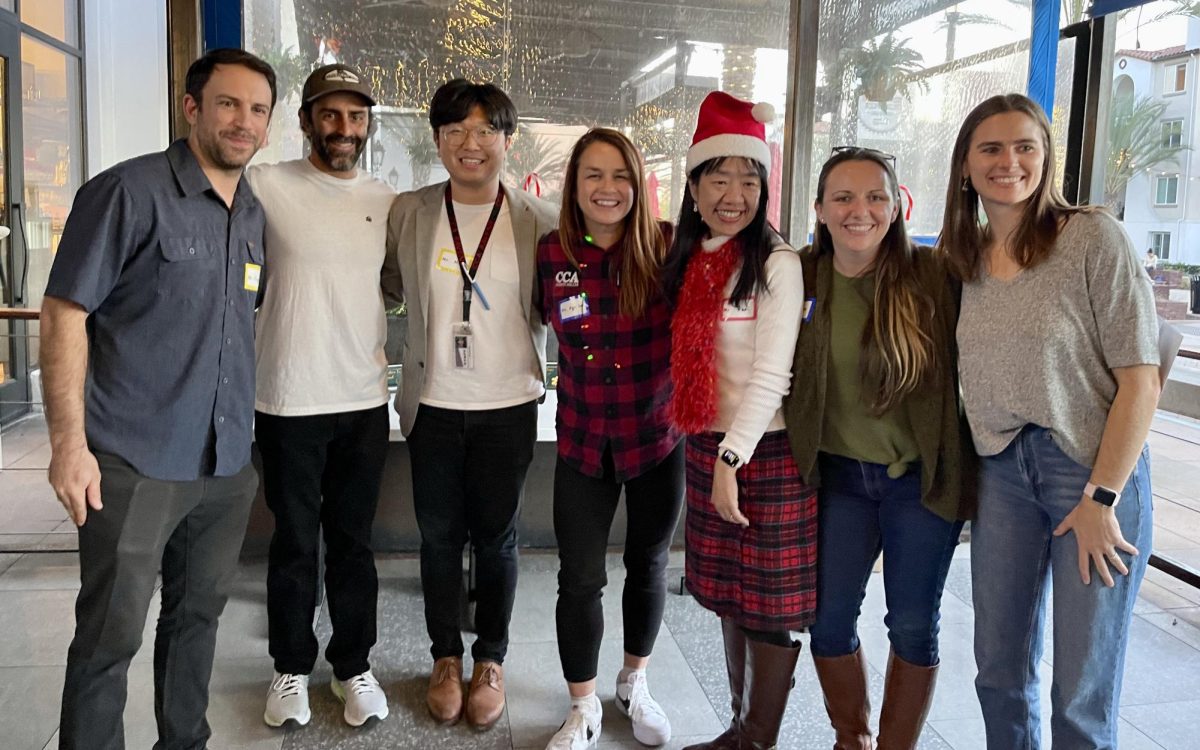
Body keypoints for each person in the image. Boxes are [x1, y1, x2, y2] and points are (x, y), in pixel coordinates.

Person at [40, 49, 275, 749]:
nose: (243, 121)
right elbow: (63, 314)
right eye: (228, 104)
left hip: (225, 466)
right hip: (134, 462)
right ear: (192, 108)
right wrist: (68, 447)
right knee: (109, 639)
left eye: (257, 110)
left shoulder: (253, 211)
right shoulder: (126, 192)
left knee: (196, 623)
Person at [939, 93, 1159, 749]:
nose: (1010, 162)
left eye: (1025, 146)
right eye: (991, 149)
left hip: (1092, 475)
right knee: (999, 673)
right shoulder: (966, 258)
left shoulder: (1092, 236)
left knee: (1080, 696)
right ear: (966, 168)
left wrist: (1102, 496)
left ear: (1046, 157)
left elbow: (1141, 380)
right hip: (1003, 473)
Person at [783, 147, 976, 749]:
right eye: (842, 197)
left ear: (897, 207)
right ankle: (852, 737)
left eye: (874, 197)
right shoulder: (801, 273)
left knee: (913, 625)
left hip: (917, 482)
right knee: (829, 624)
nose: (858, 210)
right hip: (839, 481)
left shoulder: (932, 276)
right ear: (819, 208)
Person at [381, 78, 558, 730]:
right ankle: (444, 658)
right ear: (437, 141)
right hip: (433, 402)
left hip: (508, 403)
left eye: (485, 131)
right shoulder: (411, 212)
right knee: (436, 538)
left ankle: (490, 659)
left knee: (497, 539)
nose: (470, 144)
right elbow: (388, 286)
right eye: (455, 130)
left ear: (507, 141)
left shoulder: (539, 221)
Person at [663, 91, 814, 750]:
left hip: (765, 452)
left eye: (748, 178)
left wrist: (733, 459)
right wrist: (713, 453)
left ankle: (757, 739)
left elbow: (771, 376)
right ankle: (738, 728)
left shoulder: (776, 263)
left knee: (768, 607)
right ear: (694, 188)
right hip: (705, 443)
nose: (733, 192)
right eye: (718, 176)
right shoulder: (690, 259)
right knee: (727, 594)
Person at [248, 63, 394, 729]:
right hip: (286, 399)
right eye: (330, 115)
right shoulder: (266, 185)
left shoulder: (386, 200)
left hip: (362, 399)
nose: (343, 128)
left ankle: (352, 666)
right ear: (305, 120)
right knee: (295, 545)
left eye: (355, 116)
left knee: (354, 544)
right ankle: (288, 669)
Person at [537, 128, 682, 749]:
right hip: (582, 442)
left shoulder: (670, 246)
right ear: (574, 185)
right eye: (593, 174)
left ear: (638, 183)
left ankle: (634, 681)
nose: (608, 188)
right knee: (580, 577)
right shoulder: (551, 254)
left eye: (620, 175)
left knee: (648, 564)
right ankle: (583, 704)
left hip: (656, 438)